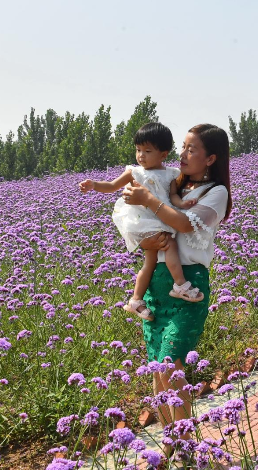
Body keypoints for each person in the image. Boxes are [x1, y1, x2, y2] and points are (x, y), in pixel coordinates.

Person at [120, 123, 232, 470]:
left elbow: (184, 225)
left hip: (188, 286)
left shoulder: (216, 192)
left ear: (210, 158)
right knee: (157, 368)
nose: (182, 155)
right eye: (182, 148)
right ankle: (173, 444)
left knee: (171, 366)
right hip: (157, 283)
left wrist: (149, 201)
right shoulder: (171, 182)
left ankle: (184, 449)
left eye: (191, 149)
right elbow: (141, 222)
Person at [78, 123, 204, 323]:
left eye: (147, 151)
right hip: (143, 222)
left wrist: (184, 203)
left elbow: (172, 198)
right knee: (169, 245)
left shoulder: (171, 174)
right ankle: (180, 284)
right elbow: (112, 186)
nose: (141, 156)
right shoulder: (134, 172)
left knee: (150, 262)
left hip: (160, 218)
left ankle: (136, 300)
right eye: (138, 150)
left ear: (163, 154)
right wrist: (94, 185)